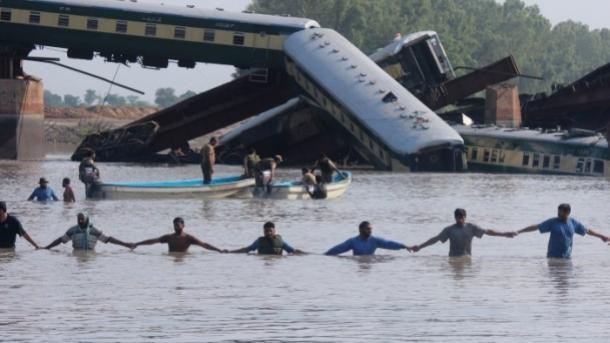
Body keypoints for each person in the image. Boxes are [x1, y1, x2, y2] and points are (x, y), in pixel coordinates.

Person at [409, 208, 517, 257]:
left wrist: (504, 234)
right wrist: (420, 246)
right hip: (453, 259)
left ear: (465, 217)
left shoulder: (471, 227)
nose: (460, 219)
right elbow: (436, 239)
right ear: (455, 217)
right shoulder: (449, 230)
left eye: (462, 217)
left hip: (467, 258)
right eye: (458, 217)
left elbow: (487, 231)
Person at [516, 203, 609, 259]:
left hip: (567, 258)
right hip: (552, 258)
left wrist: (601, 236)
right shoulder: (553, 222)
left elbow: (587, 231)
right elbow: (536, 227)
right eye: (558, 211)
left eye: (560, 212)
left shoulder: (573, 222)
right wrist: (519, 231)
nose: (558, 214)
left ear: (567, 212)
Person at [44, 213, 133, 251]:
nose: (80, 221)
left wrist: (125, 244)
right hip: (77, 253)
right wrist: (47, 247)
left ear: (87, 220)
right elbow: (60, 240)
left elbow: (108, 239)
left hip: (91, 255)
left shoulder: (94, 231)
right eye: (79, 219)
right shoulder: (73, 231)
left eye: (82, 219)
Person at [133, 217, 225, 253]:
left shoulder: (189, 238)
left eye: (178, 224)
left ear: (183, 226)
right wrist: (137, 243)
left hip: (184, 258)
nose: (176, 226)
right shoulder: (169, 237)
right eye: (175, 224)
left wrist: (219, 250)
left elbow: (204, 245)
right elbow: (152, 241)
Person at [325, 221, 410, 256]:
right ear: (361, 230)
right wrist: (325, 255)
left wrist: (405, 246)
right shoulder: (353, 241)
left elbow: (389, 244)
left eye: (371, 229)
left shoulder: (375, 241)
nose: (370, 231)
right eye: (368, 229)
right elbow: (338, 249)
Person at [230, 221, 304, 255]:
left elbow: (293, 251)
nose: (268, 233)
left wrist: (306, 254)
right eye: (266, 231)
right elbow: (247, 249)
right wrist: (230, 252)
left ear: (274, 231)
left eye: (270, 231)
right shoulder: (259, 242)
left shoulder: (280, 242)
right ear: (263, 231)